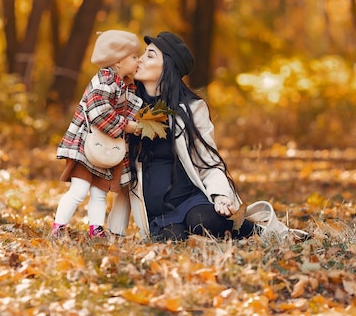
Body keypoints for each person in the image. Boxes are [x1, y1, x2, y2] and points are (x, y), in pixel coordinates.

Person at [107, 31, 303, 242]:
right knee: (172, 240)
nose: (140, 59)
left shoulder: (191, 109)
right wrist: (114, 231)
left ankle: (268, 234)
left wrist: (221, 196)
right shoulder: (126, 107)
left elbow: (209, 161)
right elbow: (119, 171)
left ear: (168, 67)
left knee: (203, 220)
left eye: (150, 55)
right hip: (159, 216)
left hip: (192, 201)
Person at [52, 30, 143, 238]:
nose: (138, 61)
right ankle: (59, 226)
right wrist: (126, 125)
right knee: (79, 189)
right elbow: (98, 110)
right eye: (134, 57)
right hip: (87, 145)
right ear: (118, 61)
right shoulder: (105, 80)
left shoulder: (125, 85)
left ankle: (95, 228)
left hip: (105, 149)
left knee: (100, 192)